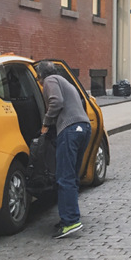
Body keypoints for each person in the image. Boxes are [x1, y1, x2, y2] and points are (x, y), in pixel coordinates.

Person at [37, 62, 92, 239]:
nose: (39, 83)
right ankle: (70, 216)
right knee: (72, 177)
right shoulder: (65, 81)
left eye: (38, 78)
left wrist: (46, 123)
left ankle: (70, 221)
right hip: (84, 128)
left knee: (64, 177)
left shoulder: (50, 80)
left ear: (41, 75)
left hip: (69, 130)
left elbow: (56, 102)